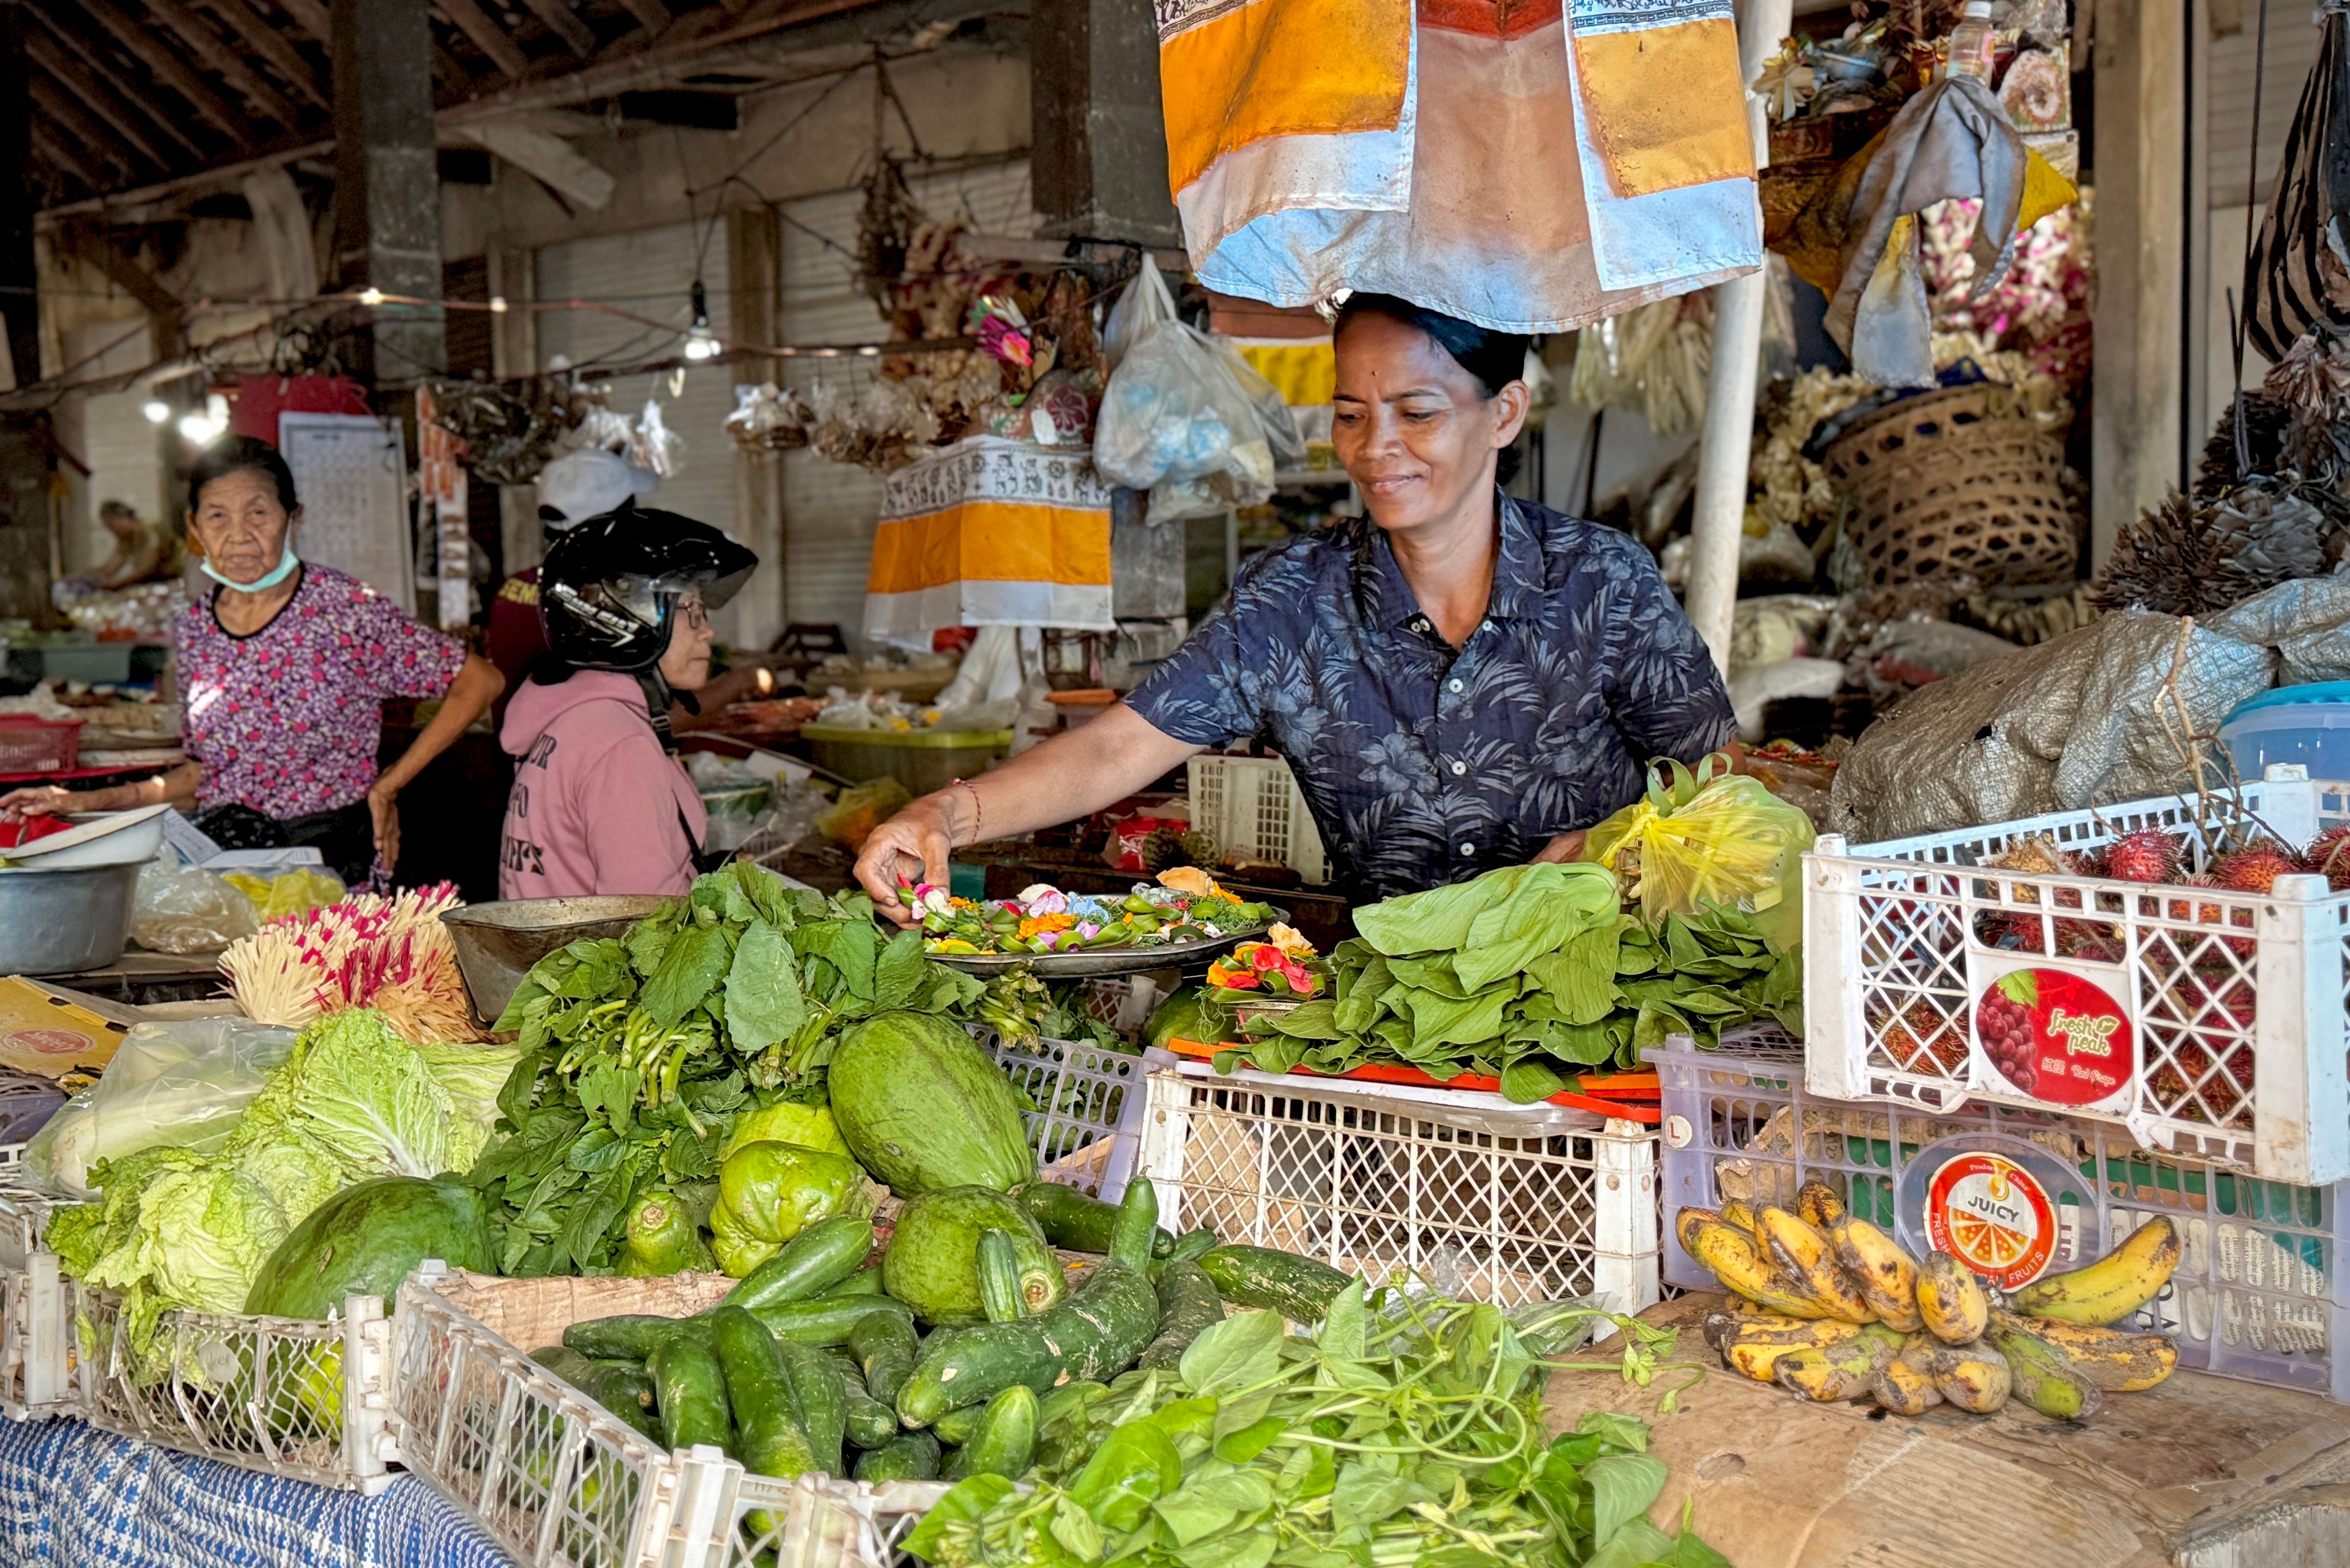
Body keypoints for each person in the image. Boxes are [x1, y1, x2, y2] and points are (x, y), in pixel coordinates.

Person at [855, 292, 1735, 920]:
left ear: (1504, 414)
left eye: (1416, 413)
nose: (1376, 447)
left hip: (1606, 993)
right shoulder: (1293, 601)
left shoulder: (1601, 583)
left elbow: (1727, 777)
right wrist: (944, 815)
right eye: (1351, 415)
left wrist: (1621, 838)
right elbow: (1119, 747)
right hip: (1400, 1012)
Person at [0, 437, 506, 887]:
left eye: (258, 513)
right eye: (218, 516)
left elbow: (480, 682)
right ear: (195, 527)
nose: (239, 535)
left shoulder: (346, 611)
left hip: (330, 872)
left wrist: (389, 785)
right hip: (229, 871)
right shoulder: (196, 626)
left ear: (293, 518)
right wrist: (81, 803)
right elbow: (203, 778)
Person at [498, 505, 758, 898]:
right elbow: (645, 915)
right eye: (691, 611)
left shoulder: (578, 717)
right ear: (630, 617)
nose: (707, 632)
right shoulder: (620, 743)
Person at [488, 449, 775, 729]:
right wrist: (745, 680)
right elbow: (647, 720)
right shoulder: (593, 600)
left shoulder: (517, 585)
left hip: (528, 756)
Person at [69, 500, 184, 591]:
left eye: (112, 526)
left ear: (123, 518)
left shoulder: (151, 532)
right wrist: (88, 576)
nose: (113, 532)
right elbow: (110, 567)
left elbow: (145, 569)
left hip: (173, 581)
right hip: (152, 583)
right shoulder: (127, 540)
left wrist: (114, 584)